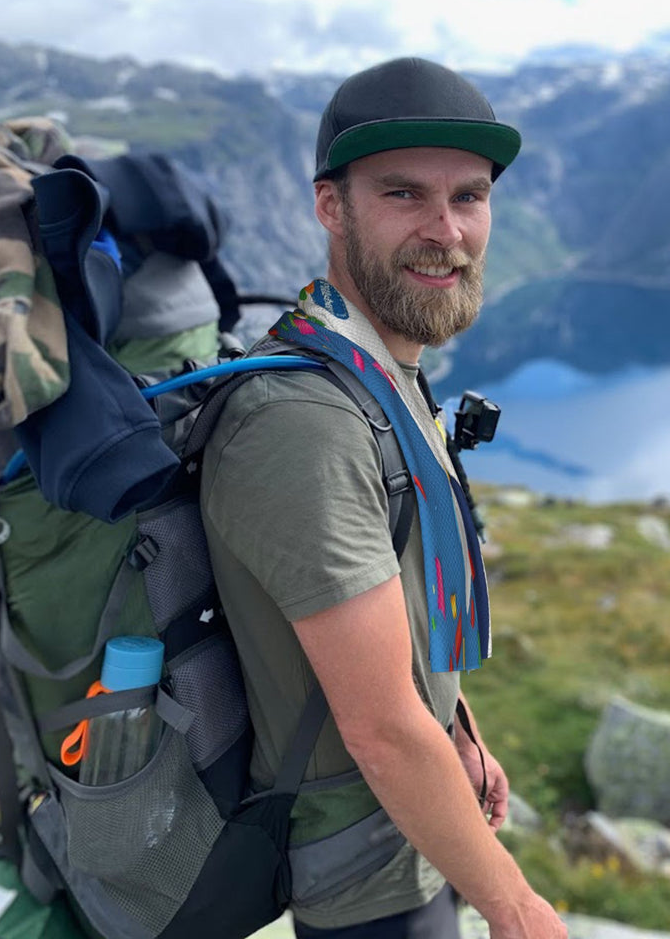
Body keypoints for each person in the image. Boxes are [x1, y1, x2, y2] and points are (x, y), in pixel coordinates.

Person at [200, 56, 567, 939]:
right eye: (404, 195)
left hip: (412, 829)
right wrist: (516, 909)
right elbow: (380, 729)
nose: (447, 230)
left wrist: (463, 728)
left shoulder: (372, 369)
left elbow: (400, 597)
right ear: (332, 206)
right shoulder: (305, 424)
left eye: (470, 198)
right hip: (362, 872)